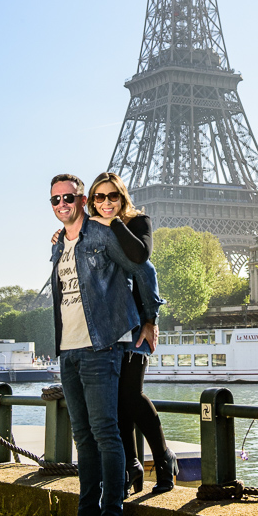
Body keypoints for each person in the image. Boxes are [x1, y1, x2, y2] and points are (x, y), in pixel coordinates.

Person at [48, 173, 162, 516]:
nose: (62, 204)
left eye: (69, 198)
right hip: (68, 351)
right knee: (83, 437)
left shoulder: (103, 234)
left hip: (102, 347)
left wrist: (149, 319)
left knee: (106, 433)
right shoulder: (57, 246)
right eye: (56, 200)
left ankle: (111, 514)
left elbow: (144, 269)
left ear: (83, 201)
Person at [85, 172, 178, 496]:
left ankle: (163, 457)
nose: (106, 202)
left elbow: (142, 259)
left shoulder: (139, 222)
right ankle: (131, 466)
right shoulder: (89, 232)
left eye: (113, 196)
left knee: (130, 394)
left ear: (122, 197)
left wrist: (151, 319)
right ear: (91, 200)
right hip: (105, 326)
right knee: (115, 401)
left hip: (137, 322)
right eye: (99, 197)